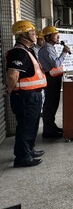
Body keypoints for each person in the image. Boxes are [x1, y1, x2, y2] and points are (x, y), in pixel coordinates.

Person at [5, 20, 47, 167]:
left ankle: (28, 150)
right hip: (24, 96)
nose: (35, 36)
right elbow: (12, 75)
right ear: (23, 35)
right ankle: (22, 157)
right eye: (32, 33)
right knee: (25, 126)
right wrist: (10, 90)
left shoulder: (27, 51)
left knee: (31, 125)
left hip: (31, 95)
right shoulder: (19, 52)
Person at [38, 25, 70, 138]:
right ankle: (48, 131)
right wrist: (64, 52)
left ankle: (51, 126)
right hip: (50, 79)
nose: (58, 36)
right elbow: (56, 64)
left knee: (54, 103)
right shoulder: (47, 49)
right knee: (50, 104)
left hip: (54, 78)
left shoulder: (50, 47)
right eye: (55, 34)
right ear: (48, 37)